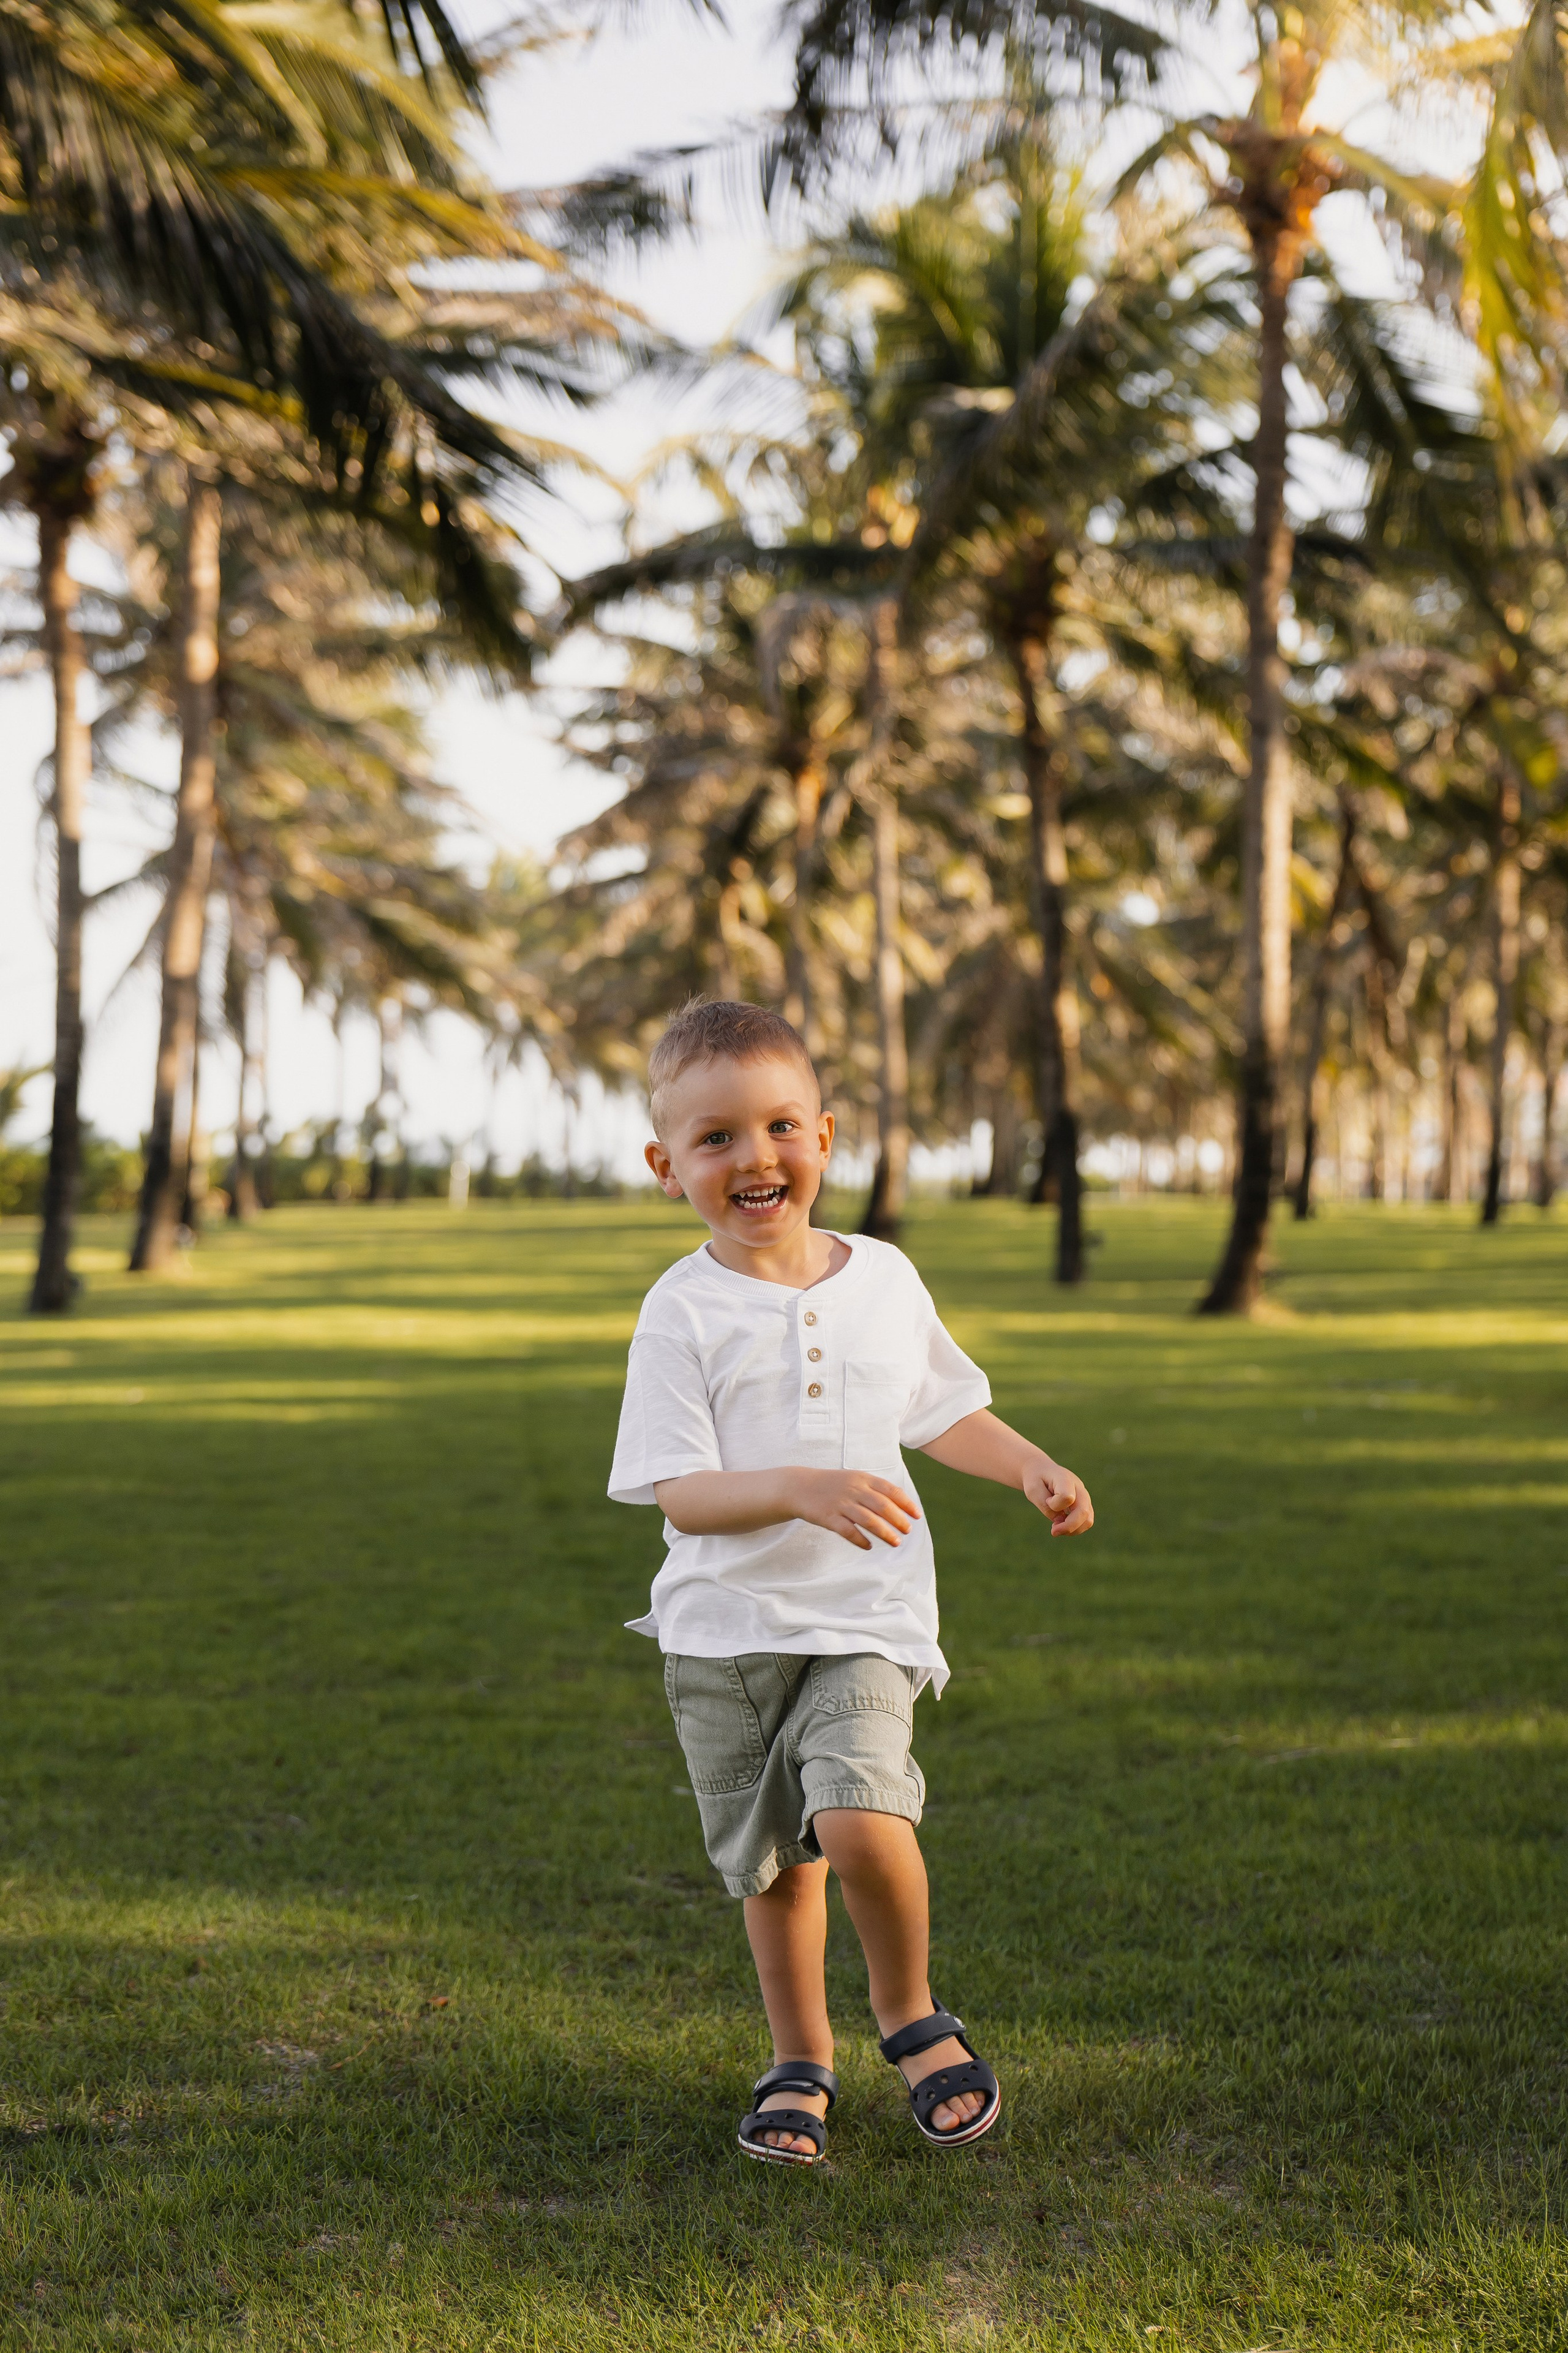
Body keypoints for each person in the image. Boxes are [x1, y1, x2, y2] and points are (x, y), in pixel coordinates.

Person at [608, 999, 1094, 2164]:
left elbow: (944, 1409)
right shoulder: (681, 1309)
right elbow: (680, 1490)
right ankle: (799, 2058)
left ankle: (911, 2015)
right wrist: (798, 1486)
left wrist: (1026, 1462)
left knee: (861, 1813)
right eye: (716, 1138)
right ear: (666, 1165)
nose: (755, 1156)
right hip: (726, 1632)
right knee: (774, 1864)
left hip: (866, 1616)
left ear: (824, 1136)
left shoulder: (883, 1278)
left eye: (780, 1126)